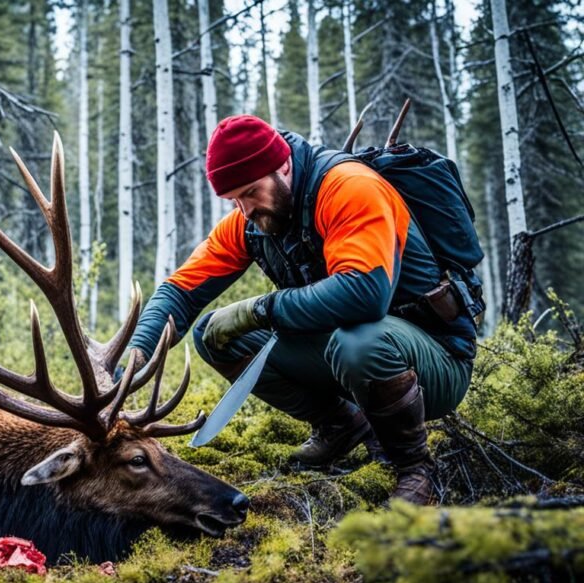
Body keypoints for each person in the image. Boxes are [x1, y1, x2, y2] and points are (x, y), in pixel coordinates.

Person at [127, 115, 477, 505]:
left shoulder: (349, 187)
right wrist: (132, 361)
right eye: (233, 200)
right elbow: (180, 291)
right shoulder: (253, 220)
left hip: (436, 359)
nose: (244, 210)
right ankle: (341, 426)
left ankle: (414, 468)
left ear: (284, 166)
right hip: (350, 351)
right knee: (214, 334)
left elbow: (365, 294)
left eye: (251, 192)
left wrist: (258, 309)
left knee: (359, 341)